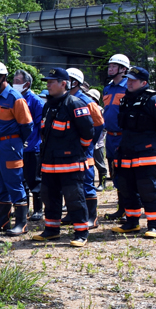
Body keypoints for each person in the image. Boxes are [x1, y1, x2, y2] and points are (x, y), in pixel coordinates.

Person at [31, 68, 95, 246]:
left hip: (71, 163)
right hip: (50, 162)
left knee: (74, 198)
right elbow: (44, 133)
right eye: (48, 82)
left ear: (63, 84)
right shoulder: (48, 106)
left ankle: (81, 232)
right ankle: (52, 230)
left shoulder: (75, 103)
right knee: (49, 197)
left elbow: (88, 133)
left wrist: (75, 150)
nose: (48, 85)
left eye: (52, 82)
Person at [111, 67, 156, 239]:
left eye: (133, 80)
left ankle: (154, 224)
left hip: (146, 153)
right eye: (128, 79)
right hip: (126, 151)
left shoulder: (155, 99)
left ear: (144, 83)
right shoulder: (125, 100)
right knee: (126, 188)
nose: (129, 82)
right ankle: (132, 222)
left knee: (147, 189)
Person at [0, 61, 34, 236]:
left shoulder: (15, 98)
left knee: (14, 182)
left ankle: (21, 222)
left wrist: (16, 142)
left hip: (10, 145)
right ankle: (3, 220)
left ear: (2, 78)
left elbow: (27, 125)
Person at [65, 69, 105, 227]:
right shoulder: (65, 99)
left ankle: (91, 217)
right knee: (70, 183)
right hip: (68, 149)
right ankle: (72, 213)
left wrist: (88, 142)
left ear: (75, 82)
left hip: (83, 149)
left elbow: (99, 124)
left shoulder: (87, 101)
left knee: (86, 182)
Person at [13, 70, 45, 221]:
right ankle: (23, 209)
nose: (15, 83)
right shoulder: (14, 99)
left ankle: (38, 209)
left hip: (32, 147)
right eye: (14, 80)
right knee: (20, 179)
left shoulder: (35, 101)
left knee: (34, 180)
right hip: (17, 147)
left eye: (18, 81)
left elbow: (41, 126)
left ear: (27, 84)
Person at [101, 54, 130, 221]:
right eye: (109, 66)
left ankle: (130, 208)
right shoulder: (108, 88)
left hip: (124, 136)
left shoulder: (129, 87)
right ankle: (121, 208)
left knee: (126, 173)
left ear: (123, 69)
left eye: (114, 66)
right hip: (110, 137)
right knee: (115, 173)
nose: (110, 69)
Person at [86, 88, 110, 190]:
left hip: (98, 140)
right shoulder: (86, 106)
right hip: (89, 140)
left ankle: (102, 183)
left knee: (100, 163)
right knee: (89, 163)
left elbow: (102, 125)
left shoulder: (99, 109)